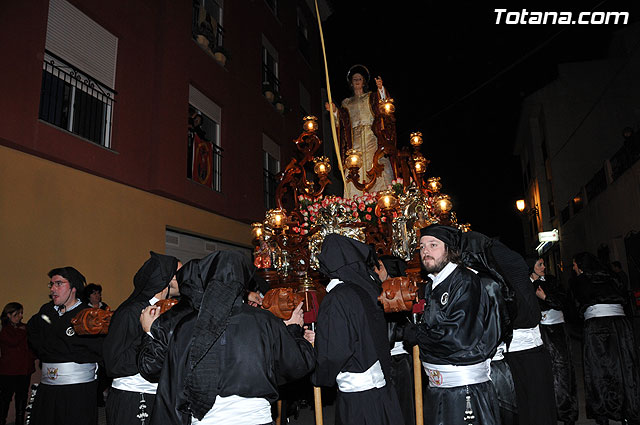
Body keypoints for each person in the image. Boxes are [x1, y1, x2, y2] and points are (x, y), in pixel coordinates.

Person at [137, 251, 316, 425]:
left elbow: (172, 386)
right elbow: (295, 365)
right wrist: (294, 331)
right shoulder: (263, 321)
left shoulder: (186, 326)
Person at [459, 230, 556, 425]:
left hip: (518, 355)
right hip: (527, 353)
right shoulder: (506, 268)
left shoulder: (494, 278)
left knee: (526, 409)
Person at [408, 224, 501, 425]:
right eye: (422, 247)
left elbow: (459, 337)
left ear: (449, 250)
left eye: (433, 245)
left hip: (463, 391)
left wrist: (419, 334)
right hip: (439, 388)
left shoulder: (464, 281)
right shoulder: (434, 283)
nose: (425, 251)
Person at [312, 234, 402, 425]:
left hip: (359, 398)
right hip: (381, 387)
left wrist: (319, 373)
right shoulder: (368, 289)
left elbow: (334, 352)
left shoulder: (336, 298)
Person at [103, 252, 180, 425]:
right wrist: (148, 335)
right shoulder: (130, 312)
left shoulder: (171, 310)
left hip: (161, 397)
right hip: (132, 398)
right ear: (165, 280)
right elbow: (114, 364)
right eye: (179, 273)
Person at [27, 266, 104, 425]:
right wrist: (58, 348)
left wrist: (59, 348)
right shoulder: (46, 311)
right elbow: (32, 332)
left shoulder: (88, 316)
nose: (53, 289)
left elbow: (95, 349)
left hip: (77, 391)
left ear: (74, 288)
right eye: (51, 284)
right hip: (48, 388)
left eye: (59, 284)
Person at [571, 252, 640, 425]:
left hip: (597, 327)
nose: (573, 268)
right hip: (620, 326)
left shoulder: (581, 281)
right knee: (625, 367)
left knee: (598, 369)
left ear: (581, 265)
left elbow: (577, 305)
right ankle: (628, 410)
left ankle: (603, 413)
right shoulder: (612, 277)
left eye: (574, 264)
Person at [326, 64, 395, 198]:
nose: (357, 81)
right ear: (351, 83)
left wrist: (381, 89)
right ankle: (356, 202)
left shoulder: (371, 97)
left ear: (364, 82)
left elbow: (383, 106)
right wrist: (334, 111)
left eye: (359, 79)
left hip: (371, 135)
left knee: (377, 163)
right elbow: (342, 121)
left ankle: (383, 198)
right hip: (355, 139)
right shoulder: (346, 102)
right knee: (354, 168)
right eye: (354, 79)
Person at [529, 257, 578, 425]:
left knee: (562, 370)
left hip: (557, 331)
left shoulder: (551, 280)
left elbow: (561, 302)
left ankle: (566, 412)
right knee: (543, 373)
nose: (544, 267)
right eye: (539, 264)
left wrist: (545, 298)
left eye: (543, 264)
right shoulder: (525, 283)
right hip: (538, 332)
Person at [374, 255, 415, 425]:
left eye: (381, 267)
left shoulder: (398, 291)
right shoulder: (379, 289)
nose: (376, 271)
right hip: (386, 358)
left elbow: (393, 332)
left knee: (402, 407)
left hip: (398, 359)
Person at [0, 302, 36, 425]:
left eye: (21, 313)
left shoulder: (24, 328)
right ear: (9, 315)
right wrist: (25, 331)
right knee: (5, 398)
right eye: (17, 313)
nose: (21, 316)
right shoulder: (5, 330)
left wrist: (32, 357)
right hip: (9, 371)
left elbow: (32, 344)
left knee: (22, 398)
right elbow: (13, 342)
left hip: (24, 369)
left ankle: (20, 422)